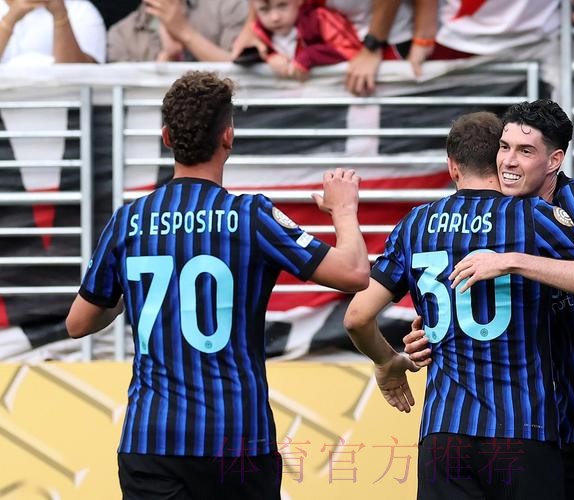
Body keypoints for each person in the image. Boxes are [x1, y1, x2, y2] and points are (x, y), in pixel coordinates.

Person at [65, 71, 370, 499]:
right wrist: (344, 211)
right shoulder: (251, 216)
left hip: (151, 439)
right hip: (237, 438)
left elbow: (78, 323)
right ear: (228, 136)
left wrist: (129, 291)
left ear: (167, 138)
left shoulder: (128, 220)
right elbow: (354, 273)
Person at [343, 111, 574, 499]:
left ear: (452, 166)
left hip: (444, 431)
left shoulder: (416, 224)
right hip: (523, 428)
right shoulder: (531, 216)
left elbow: (357, 317)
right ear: (499, 159)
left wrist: (388, 361)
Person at [405, 100, 574, 500]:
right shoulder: (505, 216)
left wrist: (514, 262)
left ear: (554, 160)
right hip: (553, 426)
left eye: (525, 151)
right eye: (504, 147)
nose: (508, 161)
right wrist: (432, 333)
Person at [250, 0, 362, 81]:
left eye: (282, 5)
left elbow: (351, 50)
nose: (275, 18)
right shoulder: (257, 32)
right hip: (285, 101)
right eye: (264, 9)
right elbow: (244, 58)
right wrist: (270, 57)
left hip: (332, 97)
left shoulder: (319, 19)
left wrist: (309, 56)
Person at [107, 0, 248, 62]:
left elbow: (242, 72)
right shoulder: (119, 34)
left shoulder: (228, 6)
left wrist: (184, 33)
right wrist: (167, 57)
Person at [0, 0, 106, 64]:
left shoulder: (82, 10)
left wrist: (60, 16)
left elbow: (84, 77)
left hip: (59, 95)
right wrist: (10, 19)